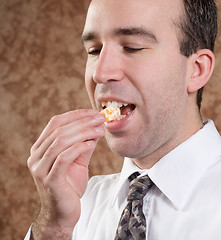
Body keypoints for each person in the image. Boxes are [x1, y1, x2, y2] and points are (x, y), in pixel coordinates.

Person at [25, 0, 221, 239]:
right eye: (94, 50)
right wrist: (53, 227)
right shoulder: (75, 207)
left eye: (132, 47)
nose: (100, 73)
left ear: (196, 70)